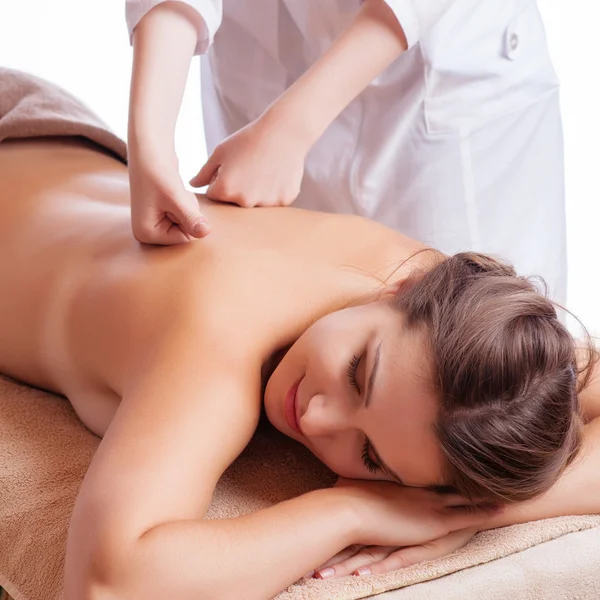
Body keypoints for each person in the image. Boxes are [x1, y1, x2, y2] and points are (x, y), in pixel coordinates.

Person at [0, 70, 597, 600]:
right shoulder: (217, 340)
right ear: (402, 289)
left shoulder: (447, 313)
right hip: (30, 124)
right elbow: (109, 583)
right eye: (358, 374)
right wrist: (357, 507)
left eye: (371, 457)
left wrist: (470, 514)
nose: (316, 418)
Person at [125, 0, 567, 303]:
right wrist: (150, 140)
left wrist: (291, 127)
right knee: (299, 329)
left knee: (489, 363)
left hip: (444, 91)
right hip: (262, 69)